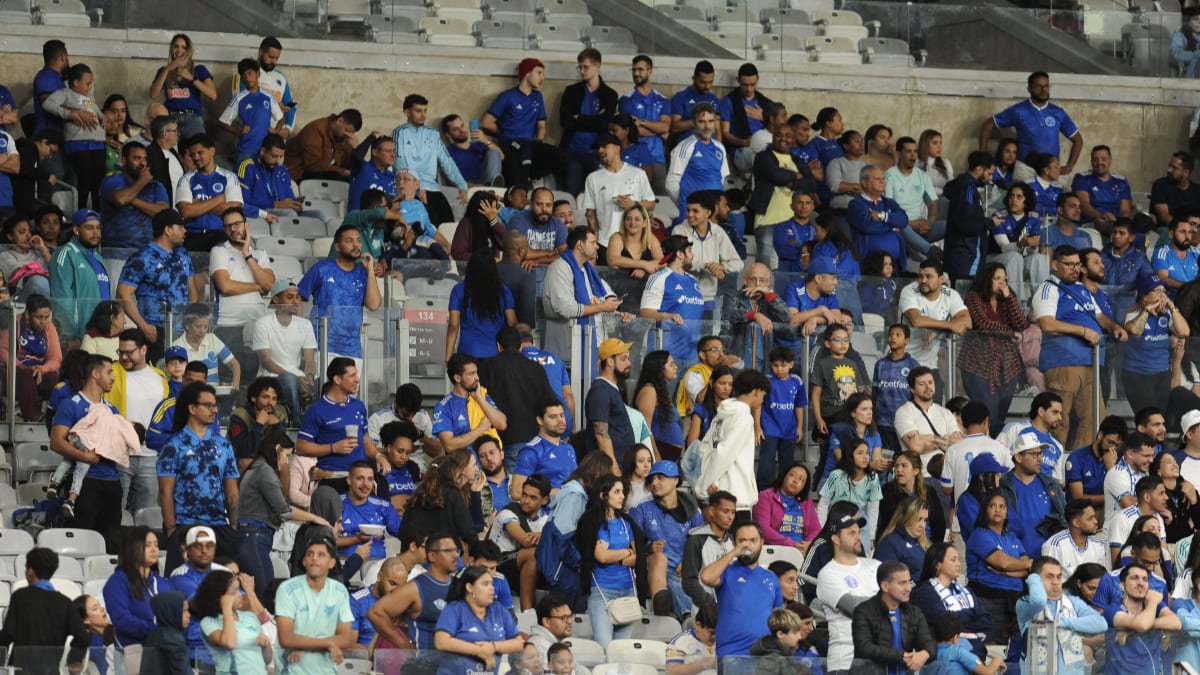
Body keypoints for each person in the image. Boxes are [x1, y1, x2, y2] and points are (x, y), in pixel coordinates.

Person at [1034, 245, 1129, 449]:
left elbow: (1099, 316)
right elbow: (1047, 324)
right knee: (1058, 421)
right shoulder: (1048, 287)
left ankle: (1077, 468)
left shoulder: (1082, 289)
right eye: (1069, 265)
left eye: (1077, 265)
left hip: (1091, 363)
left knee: (1095, 420)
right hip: (1063, 363)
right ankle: (1052, 470)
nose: (1075, 269)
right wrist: (1083, 331)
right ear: (1055, 265)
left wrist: (1114, 327)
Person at [158, 383, 240, 572]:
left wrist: (233, 527)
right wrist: (171, 531)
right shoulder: (174, 445)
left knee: (226, 585)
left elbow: (232, 490)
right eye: (208, 405)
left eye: (215, 405)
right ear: (192, 408)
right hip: (184, 526)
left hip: (219, 526)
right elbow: (165, 491)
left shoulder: (223, 445)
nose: (215, 410)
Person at [574, 475, 644, 648]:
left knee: (621, 650)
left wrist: (618, 558)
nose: (622, 496)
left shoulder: (626, 522)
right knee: (605, 647)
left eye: (623, 492)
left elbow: (639, 557)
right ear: (603, 495)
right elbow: (601, 557)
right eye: (617, 492)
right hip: (601, 592)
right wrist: (627, 551)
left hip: (627, 591)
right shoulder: (591, 521)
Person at [116, 208, 195, 359]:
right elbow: (122, 294)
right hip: (153, 329)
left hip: (182, 329)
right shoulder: (142, 257)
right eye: (180, 227)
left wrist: (191, 322)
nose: (185, 231)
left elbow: (192, 291)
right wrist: (144, 327)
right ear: (168, 230)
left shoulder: (183, 254)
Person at [961, 262, 1029, 435]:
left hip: (1007, 366)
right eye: (997, 279)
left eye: (1005, 279)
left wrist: (1009, 298)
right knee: (988, 412)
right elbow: (982, 323)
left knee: (1000, 415)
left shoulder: (1007, 298)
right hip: (979, 363)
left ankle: (997, 450)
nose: (1002, 283)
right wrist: (1010, 332)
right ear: (987, 278)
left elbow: (1021, 324)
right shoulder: (973, 297)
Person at [630, 460, 703, 619]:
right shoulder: (641, 508)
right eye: (652, 479)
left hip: (683, 569)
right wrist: (648, 548)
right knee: (671, 576)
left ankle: (680, 615)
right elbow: (632, 544)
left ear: (675, 480)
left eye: (660, 478)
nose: (655, 483)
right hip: (652, 569)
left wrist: (688, 562)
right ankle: (688, 617)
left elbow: (700, 543)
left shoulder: (692, 509)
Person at [0, 547, 90, 675]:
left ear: (30, 571)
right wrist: (73, 660)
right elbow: (83, 638)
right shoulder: (65, 603)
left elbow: (8, 633)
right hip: (50, 671)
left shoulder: (20, 597)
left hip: (21, 670)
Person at [700, 521, 783, 659]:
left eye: (753, 540)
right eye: (742, 541)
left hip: (765, 655)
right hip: (731, 654)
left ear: (762, 542)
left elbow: (778, 618)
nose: (747, 545)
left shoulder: (772, 578)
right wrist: (734, 553)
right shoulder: (727, 571)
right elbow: (706, 577)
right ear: (734, 544)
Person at [275, 538, 357, 673]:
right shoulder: (287, 589)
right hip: (292, 670)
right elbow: (286, 638)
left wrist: (304, 646)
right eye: (309, 554)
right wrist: (329, 643)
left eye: (321, 555)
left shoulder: (339, 591)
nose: (314, 558)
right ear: (304, 561)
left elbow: (346, 638)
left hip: (327, 670)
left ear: (331, 562)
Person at [695, 369, 769, 515]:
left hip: (718, 491)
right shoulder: (744, 417)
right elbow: (724, 453)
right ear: (755, 392)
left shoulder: (721, 414)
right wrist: (704, 487)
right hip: (735, 498)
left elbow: (706, 449)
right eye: (763, 395)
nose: (763, 400)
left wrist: (709, 481)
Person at [542, 225, 622, 359]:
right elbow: (566, 309)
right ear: (580, 245)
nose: (597, 247)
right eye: (593, 242)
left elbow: (595, 304)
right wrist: (603, 307)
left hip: (594, 345)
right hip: (568, 350)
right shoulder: (560, 268)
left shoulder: (586, 271)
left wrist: (618, 313)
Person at [481, 58, 563, 187]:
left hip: (529, 144)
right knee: (520, 163)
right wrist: (504, 132)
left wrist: (538, 141)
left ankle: (531, 176)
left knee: (560, 156)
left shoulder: (538, 96)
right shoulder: (508, 96)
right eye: (539, 73)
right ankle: (520, 184)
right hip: (511, 143)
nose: (542, 77)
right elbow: (486, 122)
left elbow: (541, 126)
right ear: (527, 73)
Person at [815, 512, 879, 673]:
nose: (858, 537)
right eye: (851, 533)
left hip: (878, 659)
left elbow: (900, 598)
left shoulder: (875, 565)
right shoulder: (828, 573)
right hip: (845, 662)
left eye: (858, 532)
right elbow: (856, 607)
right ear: (836, 539)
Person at [981, 71, 1082, 171]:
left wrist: (1069, 167)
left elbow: (1078, 140)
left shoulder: (1058, 112)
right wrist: (983, 157)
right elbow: (987, 125)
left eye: (1046, 86)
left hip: (1050, 170)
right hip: (1025, 169)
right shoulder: (1018, 110)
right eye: (1038, 86)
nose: (1043, 90)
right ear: (1029, 89)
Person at [966, 491, 1031, 643]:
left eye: (1002, 507)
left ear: (1007, 513)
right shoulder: (979, 535)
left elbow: (1025, 567)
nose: (997, 509)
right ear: (985, 511)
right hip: (988, 598)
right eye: (992, 506)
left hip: (1015, 600)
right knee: (991, 648)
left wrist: (1006, 573)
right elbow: (1003, 563)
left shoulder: (1011, 537)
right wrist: (1023, 565)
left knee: (1014, 650)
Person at [851, 560, 936, 674]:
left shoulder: (914, 612)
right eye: (902, 583)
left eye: (908, 582)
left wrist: (925, 653)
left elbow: (928, 642)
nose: (908, 588)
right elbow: (864, 647)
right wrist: (901, 656)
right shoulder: (863, 611)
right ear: (885, 586)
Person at [910, 543, 991, 655]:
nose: (958, 563)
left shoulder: (967, 591)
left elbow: (986, 621)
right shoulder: (925, 592)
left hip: (975, 651)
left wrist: (958, 620)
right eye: (953, 560)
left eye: (958, 559)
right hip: (945, 656)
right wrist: (973, 613)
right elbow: (944, 623)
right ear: (937, 564)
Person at [1102, 563, 1181, 674]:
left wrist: (1131, 630)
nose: (1140, 583)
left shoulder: (1152, 607)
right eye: (1134, 578)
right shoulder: (1112, 609)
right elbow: (1142, 625)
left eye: (1145, 579)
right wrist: (1153, 601)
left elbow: (1176, 623)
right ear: (1121, 585)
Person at [1000, 431, 1068, 559]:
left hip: (1047, 560)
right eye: (1034, 454)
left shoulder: (1051, 485)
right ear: (1018, 457)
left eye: (1041, 453)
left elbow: (1063, 520)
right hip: (1013, 560)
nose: (1040, 458)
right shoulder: (1002, 486)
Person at [900, 259, 971, 379]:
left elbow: (967, 322)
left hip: (930, 365)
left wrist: (938, 330)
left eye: (928, 277)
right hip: (903, 360)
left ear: (941, 279)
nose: (923, 280)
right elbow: (917, 321)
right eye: (920, 276)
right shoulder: (909, 291)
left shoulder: (950, 295)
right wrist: (949, 325)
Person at [192, 569, 271, 675]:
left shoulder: (250, 617)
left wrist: (266, 646)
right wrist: (226, 608)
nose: (240, 595)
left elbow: (267, 660)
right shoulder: (208, 622)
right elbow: (229, 643)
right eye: (234, 592)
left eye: (239, 590)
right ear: (220, 597)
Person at [50, 209, 110, 346]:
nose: (95, 233)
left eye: (98, 228)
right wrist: (69, 336)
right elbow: (61, 299)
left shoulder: (98, 258)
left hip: (101, 334)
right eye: (89, 228)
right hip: (78, 336)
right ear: (76, 230)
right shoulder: (66, 254)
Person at [446, 250, 516, 362]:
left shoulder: (458, 290)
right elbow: (512, 322)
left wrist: (448, 354)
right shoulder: (503, 291)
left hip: (468, 353)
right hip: (496, 354)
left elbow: (453, 325)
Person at [100, 141, 169, 251]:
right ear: (124, 160)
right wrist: (142, 182)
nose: (142, 163)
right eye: (137, 158)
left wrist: (132, 200)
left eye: (145, 159)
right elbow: (120, 200)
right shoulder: (113, 180)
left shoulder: (156, 185)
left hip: (148, 251)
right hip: (116, 249)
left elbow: (163, 213)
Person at [666, 103, 728, 220]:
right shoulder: (684, 147)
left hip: (712, 216)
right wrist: (685, 205)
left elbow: (721, 179)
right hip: (692, 216)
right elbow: (671, 183)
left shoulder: (720, 148)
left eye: (711, 121)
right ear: (694, 123)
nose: (707, 126)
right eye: (702, 122)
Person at [886, 135, 943, 261]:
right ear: (899, 154)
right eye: (908, 151)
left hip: (922, 226)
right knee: (901, 226)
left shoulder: (922, 176)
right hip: (902, 226)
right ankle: (931, 252)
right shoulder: (890, 176)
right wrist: (911, 224)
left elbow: (932, 204)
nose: (913, 155)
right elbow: (888, 208)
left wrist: (929, 222)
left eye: (915, 151)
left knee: (950, 226)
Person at [148, 34, 216, 139]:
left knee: (197, 147)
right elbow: (153, 94)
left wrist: (191, 78)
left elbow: (213, 95)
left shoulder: (199, 70)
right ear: (171, 49)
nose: (179, 50)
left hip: (192, 118)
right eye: (176, 46)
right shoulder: (163, 71)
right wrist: (167, 70)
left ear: (188, 50)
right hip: (171, 118)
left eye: (183, 47)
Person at [847, 164, 910, 272]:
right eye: (877, 179)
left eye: (883, 179)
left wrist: (883, 216)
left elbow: (904, 220)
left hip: (894, 265)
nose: (882, 182)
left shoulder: (889, 202)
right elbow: (869, 226)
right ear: (864, 182)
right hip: (869, 266)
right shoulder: (856, 204)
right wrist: (892, 225)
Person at [895, 365, 963, 463]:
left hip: (946, 473)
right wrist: (939, 439)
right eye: (922, 384)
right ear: (912, 389)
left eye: (930, 382)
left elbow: (959, 444)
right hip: (919, 475)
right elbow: (915, 446)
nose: (928, 387)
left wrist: (924, 437)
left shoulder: (945, 412)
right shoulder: (904, 412)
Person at [586, 338, 636, 467]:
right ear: (610, 361)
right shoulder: (600, 391)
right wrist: (614, 467)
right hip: (608, 469)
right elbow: (601, 434)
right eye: (624, 359)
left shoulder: (612, 388)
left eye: (628, 358)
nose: (629, 363)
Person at [285, 108, 361, 181]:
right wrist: (343, 172)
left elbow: (349, 165)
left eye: (351, 133)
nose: (347, 134)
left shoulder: (343, 137)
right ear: (339, 121)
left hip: (325, 177)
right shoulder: (315, 129)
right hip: (300, 174)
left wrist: (356, 149)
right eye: (346, 130)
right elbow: (314, 165)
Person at [1042, 500, 1109, 579]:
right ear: (1076, 523)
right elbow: (1049, 580)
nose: (1096, 521)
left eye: (1094, 517)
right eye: (1090, 518)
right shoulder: (1055, 545)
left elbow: (1102, 577)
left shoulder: (1098, 545)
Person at [441, 113, 502, 187]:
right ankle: (491, 188)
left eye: (462, 126)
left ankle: (491, 187)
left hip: (486, 181)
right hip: (467, 187)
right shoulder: (447, 152)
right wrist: (473, 186)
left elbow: (501, 156)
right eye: (455, 129)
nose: (461, 130)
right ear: (448, 134)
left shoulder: (479, 144)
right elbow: (451, 180)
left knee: (493, 152)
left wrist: (486, 141)